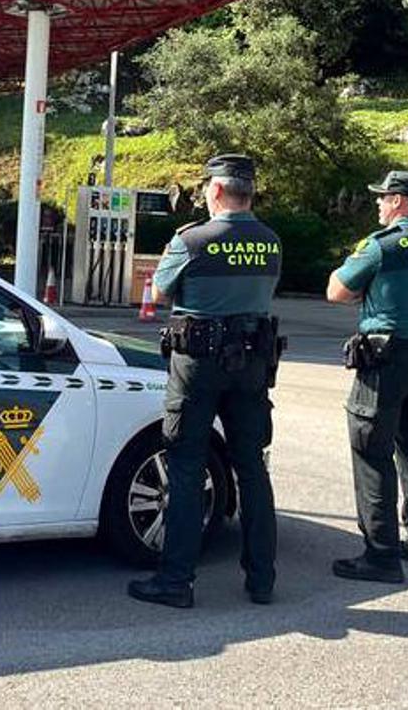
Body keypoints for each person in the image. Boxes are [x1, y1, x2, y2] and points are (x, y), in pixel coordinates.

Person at [129, 155, 283, 608]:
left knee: (186, 465)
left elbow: (158, 292)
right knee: (251, 467)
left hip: (197, 362)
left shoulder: (191, 239)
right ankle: (262, 580)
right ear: (248, 192)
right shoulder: (271, 242)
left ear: (216, 191)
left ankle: (176, 581)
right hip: (252, 361)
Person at [326, 170, 408, 582]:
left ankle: (380, 556)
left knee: (371, 451)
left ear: (397, 201)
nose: (378, 204)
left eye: (382, 198)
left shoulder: (381, 246)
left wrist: (370, 288)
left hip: (385, 361)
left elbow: (337, 290)